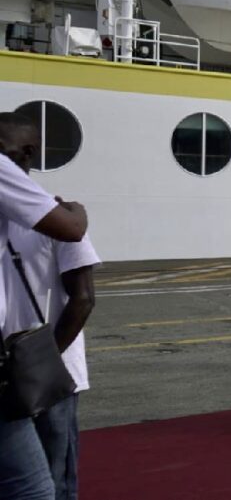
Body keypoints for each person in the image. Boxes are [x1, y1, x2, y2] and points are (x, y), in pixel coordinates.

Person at [1, 118, 99, 500]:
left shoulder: (59, 217)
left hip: (48, 370)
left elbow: (83, 298)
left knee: (55, 478)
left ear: (28, 153)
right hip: (8, 370)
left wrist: (44, 366)